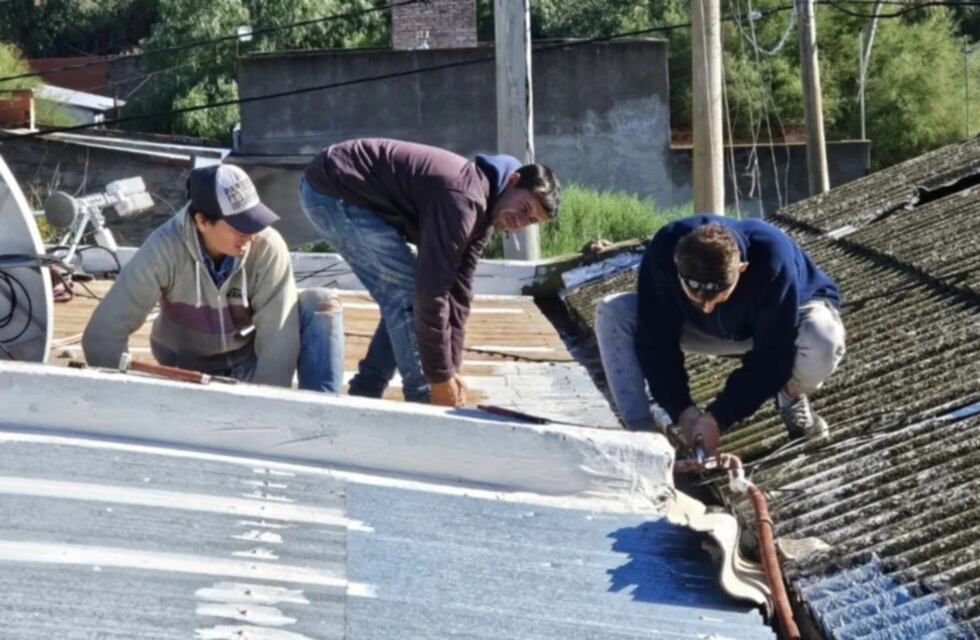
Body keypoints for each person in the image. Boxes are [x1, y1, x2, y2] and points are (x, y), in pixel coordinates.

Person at [300, 138, 560, 407]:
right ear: (513, 180)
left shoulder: (486, 214)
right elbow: (430, 292)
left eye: (531, 221)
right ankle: (421, 398)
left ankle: (367, 392)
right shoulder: (463, 200)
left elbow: (458, 293)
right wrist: (439, 381)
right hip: (334, 188)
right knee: (407, 294)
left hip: (353, 191)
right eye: (525, 207)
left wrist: (451, 368)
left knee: (405, 296)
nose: (519, 221)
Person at [595, 214, 845, 456]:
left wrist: (718, 417)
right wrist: (684, 412)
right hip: (706, 329)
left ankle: (790, 396)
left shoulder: (773, 259)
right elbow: (657, 342)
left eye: (718, 298)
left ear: (743, 269)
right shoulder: (664, 250)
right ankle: (641, 437)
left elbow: (772, 357)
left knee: (823, 336)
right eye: (696, 297)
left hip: (782, 327)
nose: (707, 307)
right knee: (613, 311)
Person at [83, 164, 344, 392]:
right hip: (184, 371)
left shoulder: (267, 246)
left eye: (253, 221)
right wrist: (117, 396)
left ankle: (322, 416)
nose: (250, 234)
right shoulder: (163, 248)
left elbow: (278, 338)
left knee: (322, 302)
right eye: (237, 226)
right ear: (202, 221)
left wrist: (266, 411)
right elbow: (103, 334)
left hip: (245, 366)